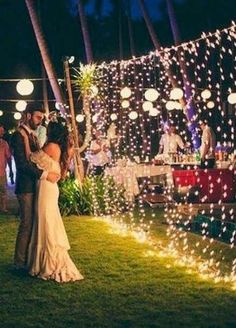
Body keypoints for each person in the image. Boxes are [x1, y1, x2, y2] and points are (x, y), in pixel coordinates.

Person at [27, 118, 84, 283]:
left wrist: (29, 142)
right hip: (47, 187)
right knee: (46, 221)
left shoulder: (51, 146)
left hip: (47, 188)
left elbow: (33, 158)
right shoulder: (57, 147)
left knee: (46, 222)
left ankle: (49, 262)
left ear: (52, 133)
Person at [11, 104, 59, 271]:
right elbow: (23, 165)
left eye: (41, 118)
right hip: (25, 187)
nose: (40, 121)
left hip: (36, 186)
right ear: (28, 115)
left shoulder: (31, 136)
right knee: (27, 223)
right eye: (38, 117)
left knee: (34, 223)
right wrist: (45, 175)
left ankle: (30, 260)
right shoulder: (19, 136)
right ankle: (19, 262)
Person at [0, 124, 14, 213]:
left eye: (2, 131)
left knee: (3, 191)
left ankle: (2, 208)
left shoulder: (4, 143)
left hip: (1, 172)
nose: (1, 133)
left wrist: (11, 171)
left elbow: (8, 158)